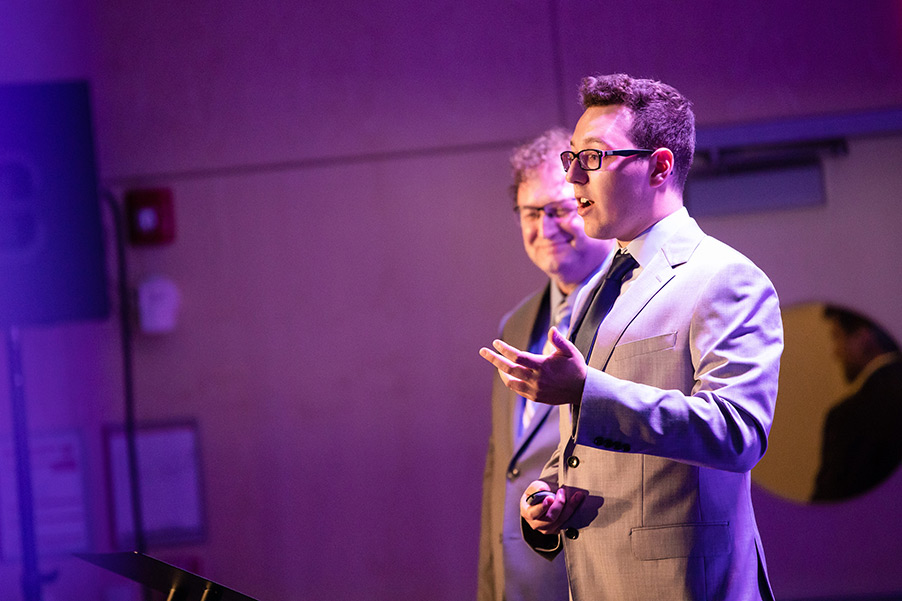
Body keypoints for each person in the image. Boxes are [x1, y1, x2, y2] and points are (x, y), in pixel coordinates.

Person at [479, 74, 783, 601]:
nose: (573, 175)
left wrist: (582, 391)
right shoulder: (610, 284)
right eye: (571, 157)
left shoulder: (723, 276)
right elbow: (587, 445)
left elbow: (739, 432)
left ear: (660, 166)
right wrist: (547, 494)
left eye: (592, 157)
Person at [478, 128, 614, 601]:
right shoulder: (514, 324)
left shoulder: (638, 309)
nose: (545, 227)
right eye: (531, 213)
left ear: (588, 204)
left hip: (598, 578)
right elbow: (505, 472)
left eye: (558, 209)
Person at [811, 305, 902, 502]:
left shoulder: (849, 416)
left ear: (863, 338)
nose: (836, 352)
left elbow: (830, 504)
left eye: (837, 336)